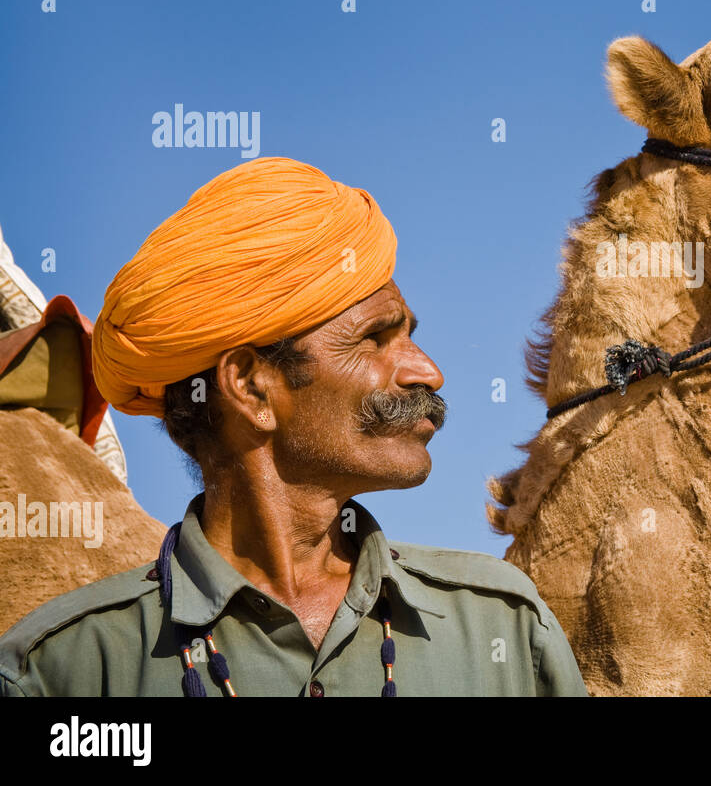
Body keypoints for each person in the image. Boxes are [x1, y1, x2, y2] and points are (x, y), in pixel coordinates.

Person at [0, 157, 588, 696]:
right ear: (251, 385)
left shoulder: (505, 630)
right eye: (376, 339)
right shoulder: (67, 670)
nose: (427, 371)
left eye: (411, 335)